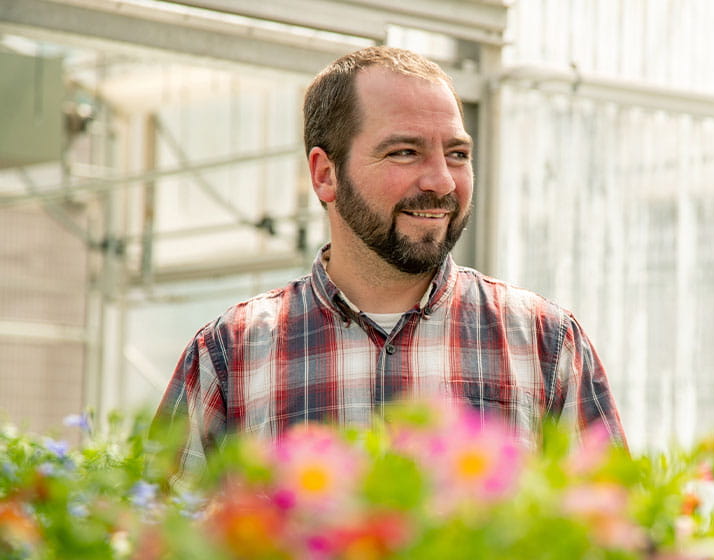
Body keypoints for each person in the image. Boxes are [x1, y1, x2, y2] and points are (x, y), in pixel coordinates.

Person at [155, 46, 626, 477]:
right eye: (405, 152)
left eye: (457, 154)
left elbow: (613, 530)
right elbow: (159, 530)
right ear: (325, 175)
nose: (442, 181)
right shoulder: (231, 352)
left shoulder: (545, 343)